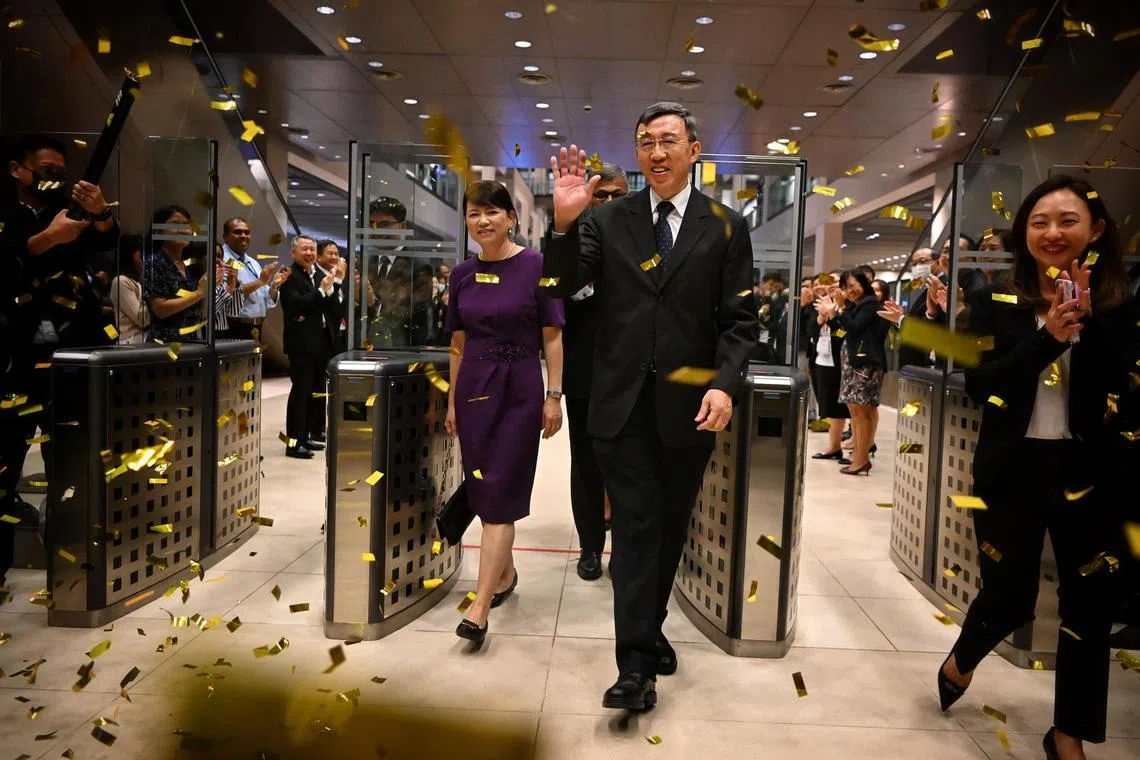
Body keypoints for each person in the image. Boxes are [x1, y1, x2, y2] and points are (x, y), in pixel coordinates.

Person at [543, 102, 759, 711]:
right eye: (645, 142)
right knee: (637, 527)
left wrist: (724, 383)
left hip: (690, 407)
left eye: (668, 140)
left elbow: (740, 323)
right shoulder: (608, 221)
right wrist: (561, 227)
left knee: (669, 528)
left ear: (695, 149)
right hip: (619, 405)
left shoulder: (726, 226)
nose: (656, 152)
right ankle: (635, 666)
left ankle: (649, 628)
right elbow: (559, 289)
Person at [937, 175, 1139, 760]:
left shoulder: (1122, 311)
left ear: (1096, 230)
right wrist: (1047, 337)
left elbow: (1125, 389)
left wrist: (1086, 321)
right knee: (1008, 594)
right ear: (1023, 233)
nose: (1053, 233)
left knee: (1089, 610)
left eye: (1068, 221)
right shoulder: (991, 303)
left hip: (1094, 477)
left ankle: (1067, 735)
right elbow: (981, 384)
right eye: (1039, 222)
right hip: (1013, 470)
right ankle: (963, 658)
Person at [445, 180, 565, 643]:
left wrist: (554, 395)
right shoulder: (461, 274)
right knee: (482, 488)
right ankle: (506, 574)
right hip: (474, 385)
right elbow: (457, 342)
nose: (483, 221)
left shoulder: (538, 266)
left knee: (499, 492)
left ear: (511, 218)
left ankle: (479, 605)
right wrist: (454, 400)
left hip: (519, 389)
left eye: (492, 212)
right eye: (474, 213)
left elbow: (553, 334)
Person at [0, 133, 118, 572]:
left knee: (71, 466)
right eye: (46, 173)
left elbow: (105, 240)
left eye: (60, 175)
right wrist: (45, 241)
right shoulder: (9, 216)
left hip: (69, 360)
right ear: (19, 169)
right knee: (6, 465)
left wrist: (100, 212)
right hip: (13, 364)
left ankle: (70, 568)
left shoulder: (67, 213)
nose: (53, 181)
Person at [559, 162, 628, 581]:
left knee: (627, 466)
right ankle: (589, 547)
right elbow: (552, 294)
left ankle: (624, 547)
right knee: (585, 466)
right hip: (583, 375)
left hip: (630, 375)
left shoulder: (643, 241)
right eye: (599, 195)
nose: (607, 202)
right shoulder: (572, 242)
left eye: (616, 195)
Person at [816, 268, 887, 475]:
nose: (849, 290)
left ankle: (861, 459)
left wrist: (842, 307)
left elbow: (854, 327)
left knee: (861, 412)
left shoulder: (870, 304)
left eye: (852, 286)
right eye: (845, 287)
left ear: (863, 284)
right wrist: (835, 312)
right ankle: (858, 456)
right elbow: (844, 329)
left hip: (865, 366)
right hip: (855, 364)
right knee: (856, 412)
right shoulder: (858, 305)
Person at [279, 235, 338, 460]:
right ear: (293, 253)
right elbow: (295, 305)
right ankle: (294, 443)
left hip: (318, 342)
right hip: (300, 344)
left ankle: (306, 437)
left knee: (313, 393)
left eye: (312, 249)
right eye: (304, 249)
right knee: (300, 394)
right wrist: (321, 293)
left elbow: (319, 306)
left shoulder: (314, 275)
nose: (310, 253)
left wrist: (325, 293)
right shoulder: (290, 275)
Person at [143, 205, 208, 342]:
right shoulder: (155, 262)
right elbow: (160, 309)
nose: (183, 230)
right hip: (164, 345)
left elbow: (201, 313)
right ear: (159, 231)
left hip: (192, 342)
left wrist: (210, 288)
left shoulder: (191, 266)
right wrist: (199, 293)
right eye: (175, 224)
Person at [807, 274, 850, 460]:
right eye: (829, 283)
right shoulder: (821, 304)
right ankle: (833, 446)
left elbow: (842, 335)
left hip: (840, 362)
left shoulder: (848, 308)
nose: (832, 286)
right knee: (829, 406)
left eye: (836, 283)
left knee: (842, 407)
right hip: (821, 360)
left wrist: (833, 315)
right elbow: (809, 332)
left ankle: (849, 444)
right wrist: (820, 317)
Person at [220, 218, 282, 341]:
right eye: (237, 232)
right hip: (234, 327)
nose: (243, 236)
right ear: (225, 237)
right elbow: (228, 297)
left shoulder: (253, 262)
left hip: (256, 327)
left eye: (247, 232)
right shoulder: (222, 259)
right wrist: (260, 282)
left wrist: (275, 285)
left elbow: (266, 300)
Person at [110, 233, 149, 344]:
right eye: (142, 252)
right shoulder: (121, 281)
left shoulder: (139, 280)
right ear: (131, 254)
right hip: (132, 342)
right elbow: (142, 319)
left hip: (144, 340)